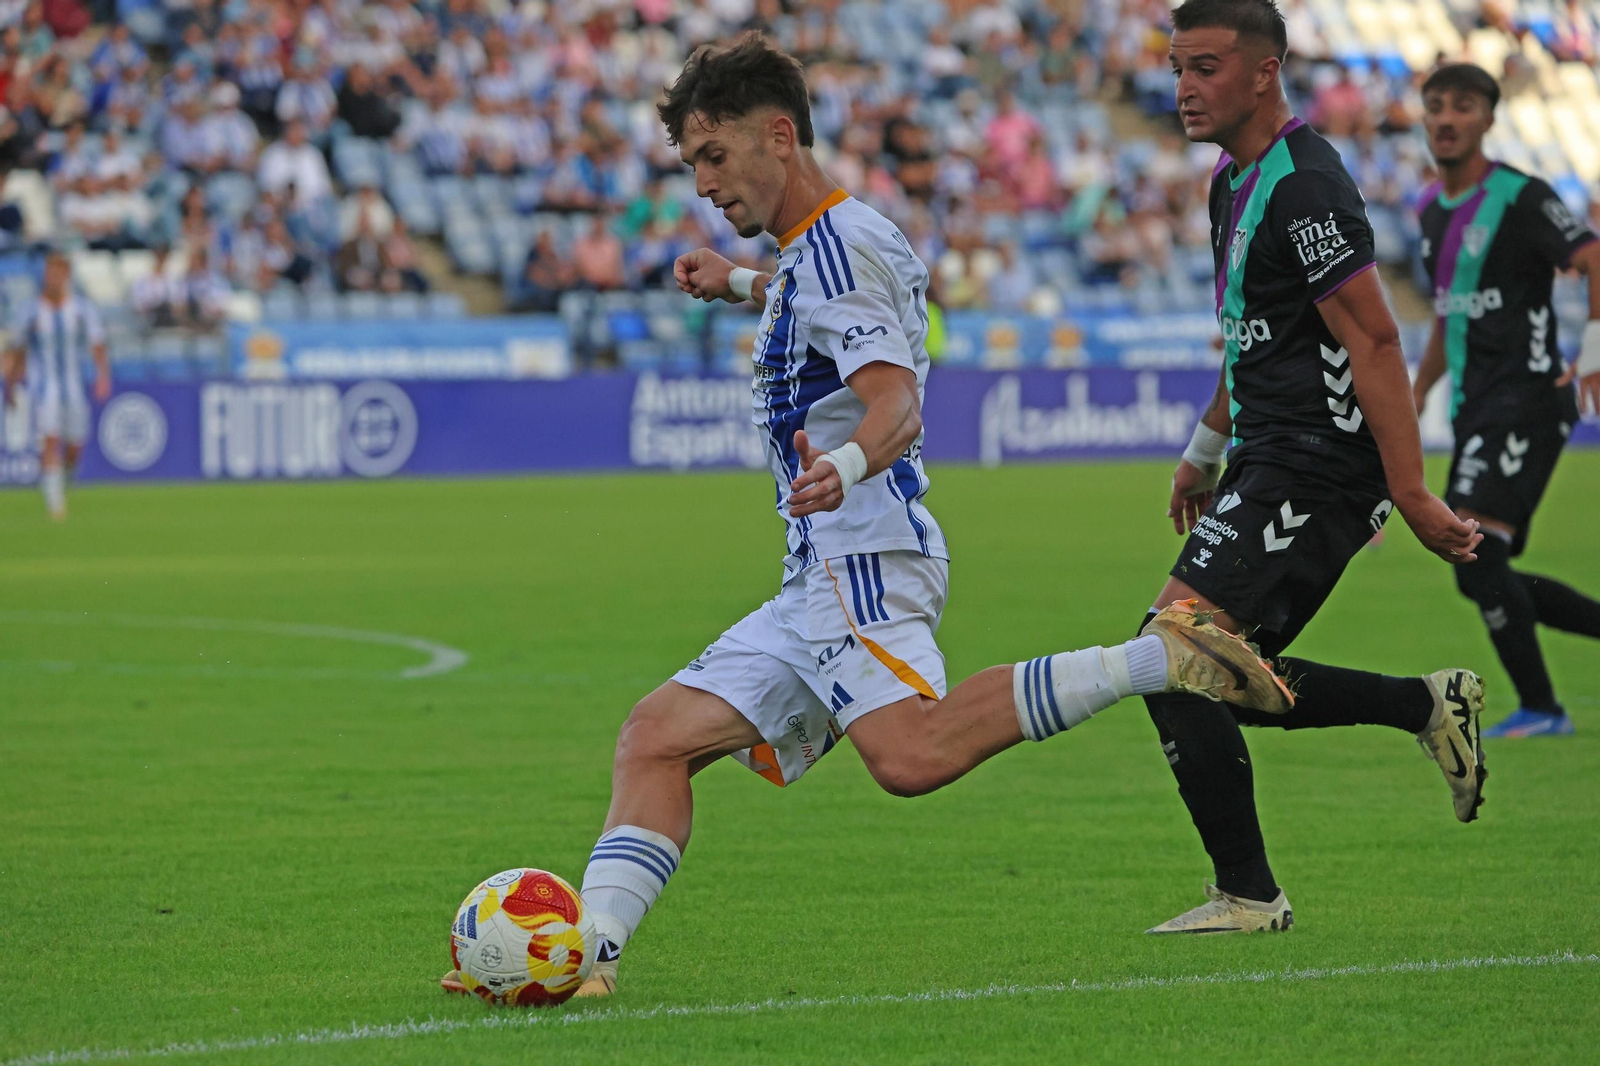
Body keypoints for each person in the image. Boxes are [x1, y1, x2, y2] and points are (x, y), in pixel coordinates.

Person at [441, 33, 1296, 1003]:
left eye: (713, 157)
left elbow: (894, 401)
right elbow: (821, 300)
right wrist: (737, 283)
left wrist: (841, 463)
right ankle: (582, 959)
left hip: (864, 550)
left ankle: (1161, 658)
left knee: (910, 755)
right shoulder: (828, 247)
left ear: (778, 136)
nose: (705, 183)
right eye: (691, 165)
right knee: (655, 738)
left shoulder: (838, 248)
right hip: (822, 566)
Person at [1145, 0, 1489, 934]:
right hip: (1270, 454)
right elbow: (1250, 338)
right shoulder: (1234, 182)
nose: (1183, 88)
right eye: (1178, 67)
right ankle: (1424, 704)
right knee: (1207, 673)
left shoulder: (1306, 186)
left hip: (1323, 465)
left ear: (1265, 72)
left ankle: (1249, 897)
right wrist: (1203, 448)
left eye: (1206, 67)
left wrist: (1411, 489)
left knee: (1174, 655)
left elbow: (1375, 339)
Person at [1411, 62, 1600, 738]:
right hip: (1477, 406)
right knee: (1482, 567)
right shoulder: (1431, 211)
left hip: (1528, 396)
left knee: (1474, 551)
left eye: (1463, 106)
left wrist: (1595, 354)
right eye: (1435, 106)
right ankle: (1545, 705)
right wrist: (1413, 395)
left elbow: (1593, 258)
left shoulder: (1519, 196)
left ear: (1488, 119)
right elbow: (1446, 317)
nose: (1447, 118)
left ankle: (1545, 710)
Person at [2, 252, 110, 520]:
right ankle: (55, 504)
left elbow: (97, 345)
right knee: (50, 440)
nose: (53, 278)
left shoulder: (82, 309)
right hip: (44, 388)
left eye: (59, 273)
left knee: (75, 445)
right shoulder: (30, 311)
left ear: (67, 276)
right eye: (50, 272)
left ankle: (64, 477)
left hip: (73, 388)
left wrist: (102, 376)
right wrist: (11, 385)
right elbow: (19, 351)